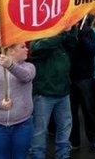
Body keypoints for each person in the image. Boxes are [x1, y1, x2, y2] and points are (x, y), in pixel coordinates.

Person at [29, 27, 78, 159]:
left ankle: (63, 154)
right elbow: (38, 48)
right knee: (40, 130)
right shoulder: (36, 36)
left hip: (63, 91)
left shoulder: (61, 41)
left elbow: (73, 43)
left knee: (65, 125)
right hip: (44, 93)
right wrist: (61, 32)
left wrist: (72, 28)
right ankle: (37, 155)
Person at [69, 18, 95, 152]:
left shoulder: (87, 30)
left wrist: (80, 37)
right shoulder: (66, 31)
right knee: (72, 112)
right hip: (70, 78)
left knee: (89, 110)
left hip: (85, 77)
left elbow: (92, 50)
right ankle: (74, 141)